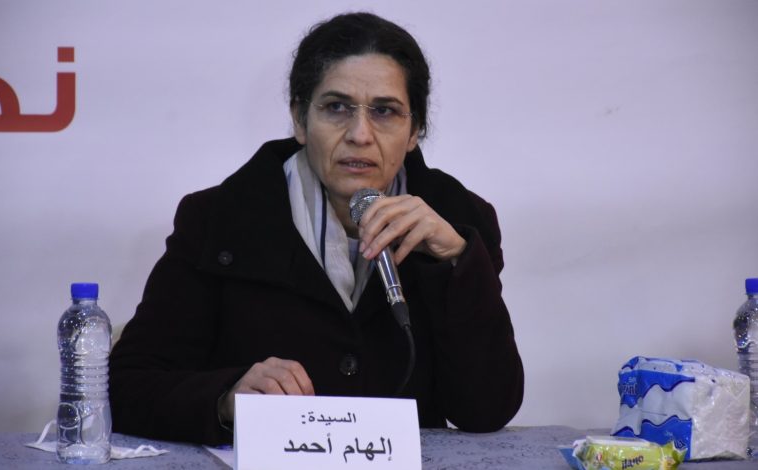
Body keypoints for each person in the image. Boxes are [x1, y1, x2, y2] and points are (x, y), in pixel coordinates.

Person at [109, 11, 523, 445]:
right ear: (299, 119)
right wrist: (226, 399)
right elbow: (128, 386)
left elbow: (486, 409)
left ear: (415, 129)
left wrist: (456, 264)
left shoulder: (460, 220)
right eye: (336, 108)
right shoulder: (220, 219)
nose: (360, 134)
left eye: (384, 111)